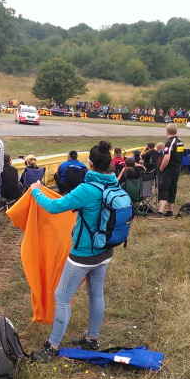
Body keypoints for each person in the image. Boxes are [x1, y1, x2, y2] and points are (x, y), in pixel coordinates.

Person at [28, 141, 118, 361]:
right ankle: (92, 338)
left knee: (62, 296)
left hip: (83, 254)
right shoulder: (114, 185)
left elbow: (54, 207)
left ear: (90, 163)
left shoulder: (87, 189)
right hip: (105, 250)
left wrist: (36, 192)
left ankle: (52, 345)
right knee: (96, 293)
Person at [157, 124, 184, 216]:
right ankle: (170, 210)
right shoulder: (180, 142)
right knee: (173, 188)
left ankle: (160, 210)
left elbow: (167, 157)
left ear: (167, 131)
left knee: (164, 188)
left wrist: (161, 168)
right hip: (177, 169)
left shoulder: (169, 142)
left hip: (168, 169)